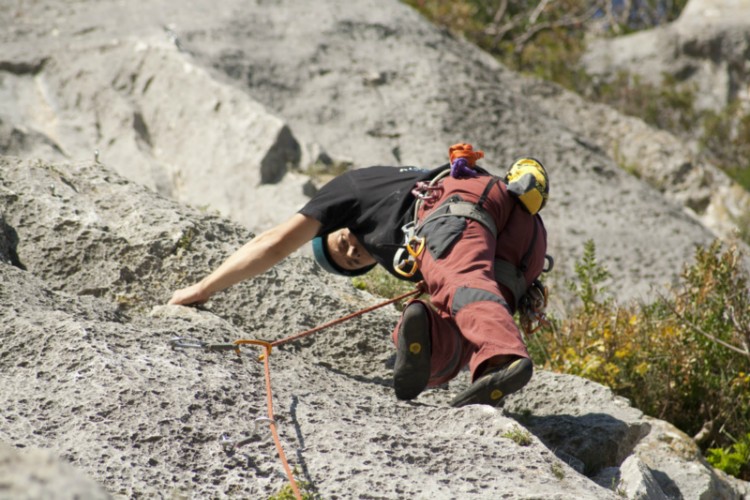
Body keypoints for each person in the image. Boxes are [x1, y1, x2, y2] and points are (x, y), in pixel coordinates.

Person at [168, 143, 549, 408]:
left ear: (337, 224)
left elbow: (275, 243)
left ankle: (502, 356)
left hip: (467, 203)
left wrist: (202, 288)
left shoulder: (350, 189)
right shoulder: (394, 240)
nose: (351, 252)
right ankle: (459, 358)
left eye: (342, 243)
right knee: (458, 314)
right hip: (525, 241)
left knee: (459, 280)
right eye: (352, 262)